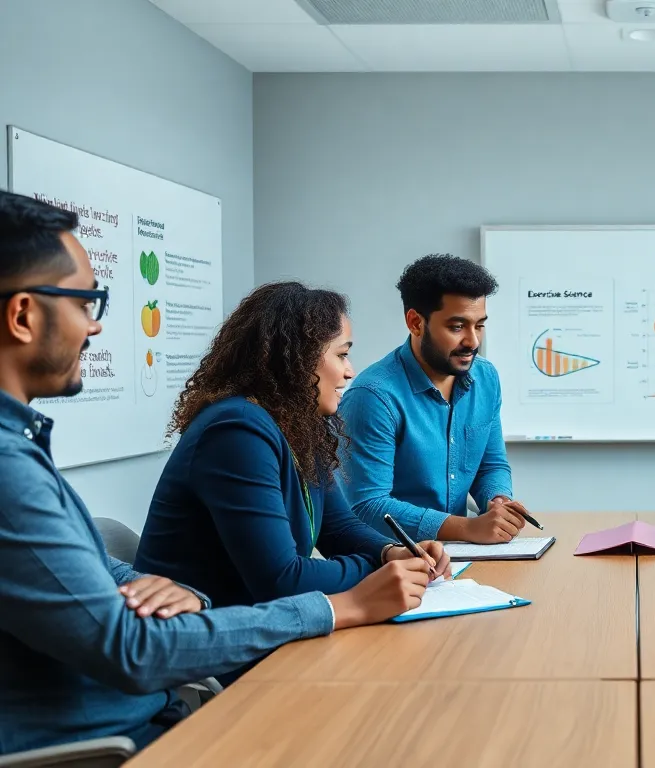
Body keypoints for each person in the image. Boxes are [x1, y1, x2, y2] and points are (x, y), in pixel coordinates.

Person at [0, 192, 428, 755]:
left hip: (164, 702)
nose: (94, 327)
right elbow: (135, 647)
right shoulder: (236, 429)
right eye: (86, 302)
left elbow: (93, 568)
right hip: (130, 737)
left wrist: (180, 591)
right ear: (24, 315)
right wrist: (343, 603)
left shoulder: (20, 447)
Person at [135, 282, 450, 684]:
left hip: (268, 639)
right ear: (299, 360)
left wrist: (392, 551)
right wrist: (377, 571)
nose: (350, 370)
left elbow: (338, 527)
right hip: (214, 655)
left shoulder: (295, 425)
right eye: (342, 354)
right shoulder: (236, 431)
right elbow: (281, 581)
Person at [339, 255, 533, 543]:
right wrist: (468, 528)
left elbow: (490, 465)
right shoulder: (372, 397)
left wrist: (498, 502)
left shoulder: (486, 378)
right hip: (389, 562)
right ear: (416, 322)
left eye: (479, 325)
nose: (473, 341)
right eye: (457, 327)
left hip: (459, 558)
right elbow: (368, 507)